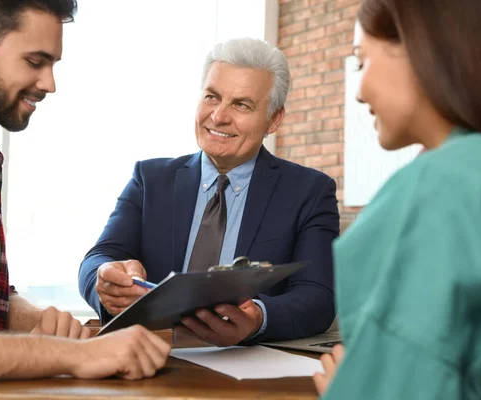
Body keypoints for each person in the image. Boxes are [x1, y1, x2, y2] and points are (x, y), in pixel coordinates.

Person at [0, 1, 170, 396]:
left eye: (53, 63)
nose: (49, 83)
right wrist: (68, 355)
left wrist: (46, 324)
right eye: (35, 61)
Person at [79, 38, 340, 347]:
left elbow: (318, 297)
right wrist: (106, 280)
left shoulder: (309, 192)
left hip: (247, 372)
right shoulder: (149, 180)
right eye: (212, 97)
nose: (218, 117)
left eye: (241, 104)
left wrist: (257, 317)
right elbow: (98, 258)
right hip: (150, 358)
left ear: (273, 119)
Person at [312, 0, 481, 398]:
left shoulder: (440, 187)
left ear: (418, 46)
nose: (358, 93)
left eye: (362, 61)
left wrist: (354, 389)